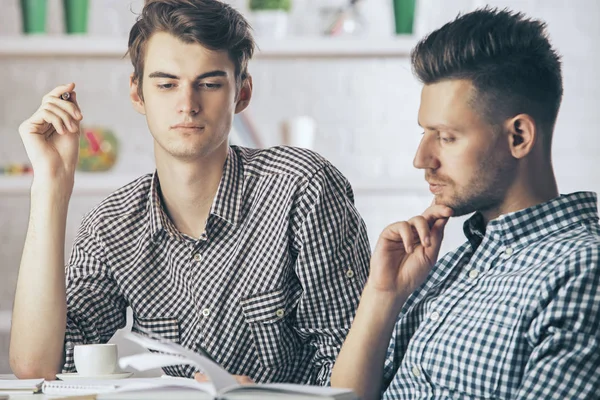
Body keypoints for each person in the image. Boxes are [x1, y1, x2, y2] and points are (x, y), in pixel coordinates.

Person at [10, 0, 370, 385]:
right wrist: (51, 184)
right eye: (166, 84)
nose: (187, 105)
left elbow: (355, 369)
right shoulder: (111, 225)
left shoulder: (304, 188)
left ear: (242, 93)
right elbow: (40, 366)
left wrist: (268, 397)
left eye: (210, 84)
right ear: (137, 94)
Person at [331, 7, 599, 400]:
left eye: (446, 136)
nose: (421, 159)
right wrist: (383, 295)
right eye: (425, 132)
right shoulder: (449, 266)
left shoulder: (583, 271)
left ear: (520, 136)